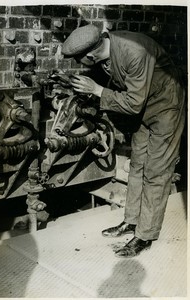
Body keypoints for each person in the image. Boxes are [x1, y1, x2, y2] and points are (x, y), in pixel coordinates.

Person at [61, 24, 186, 258]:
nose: (81, 65)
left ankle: (145, 236)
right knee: (138, 165)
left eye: (80, 60)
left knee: (156, 171)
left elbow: (133, 102)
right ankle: (131, 222)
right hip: (144, 109)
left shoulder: (134, 51)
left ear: (91, 54)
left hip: (166, 108)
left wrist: (97, 90)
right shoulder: (108, 46)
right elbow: (120, 82)